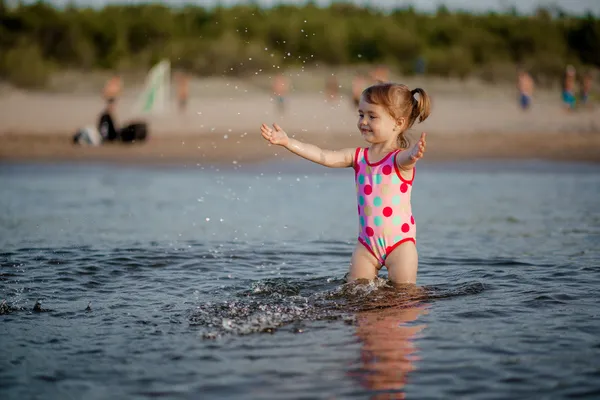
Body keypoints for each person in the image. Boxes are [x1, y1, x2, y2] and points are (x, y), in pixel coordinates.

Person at [260, 82, 430, 284]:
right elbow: (324, 156)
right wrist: (289, 143)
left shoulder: (398, 159)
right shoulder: (358, 156)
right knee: (355, 293)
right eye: (361, 114)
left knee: (404, 299)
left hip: (400, 245)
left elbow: (407, 160)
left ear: (398, 123)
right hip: (367, 246)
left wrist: (414, 154)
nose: (363, 122)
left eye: (372, 116)